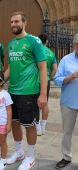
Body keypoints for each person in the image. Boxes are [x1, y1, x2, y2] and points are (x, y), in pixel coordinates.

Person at [4, 11, 47, 170]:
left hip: (29, 92)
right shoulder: (10, 44)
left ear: (24, 22)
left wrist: (43, 94)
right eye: (11, 22)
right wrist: (0, 81)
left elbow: (43, 68)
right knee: (15, 123)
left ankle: (30, 156)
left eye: (16, 21)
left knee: (29, 125)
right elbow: (9, 68)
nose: (13, 25)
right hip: (12, 92)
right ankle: (19, 152)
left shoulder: (33, 41)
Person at [54, 33, 78, 169]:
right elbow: (57, 79)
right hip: (69, 101)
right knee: (67, 131)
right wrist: (70, 77)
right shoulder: (65, 60)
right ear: (74, 45)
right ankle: (66, 157)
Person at [36, 33, 57, 136]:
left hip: (36, 80)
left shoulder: (36, 51)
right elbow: (55, 69)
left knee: (35, 103)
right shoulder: (51, 53)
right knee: (45, 103)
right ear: (47, 41)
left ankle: (37, 127)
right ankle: (43, 125)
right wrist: (50, 76)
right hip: (47, 80)